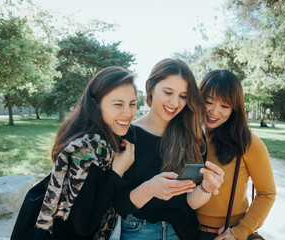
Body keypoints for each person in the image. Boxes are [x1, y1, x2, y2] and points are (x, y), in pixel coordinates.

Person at [113, 58, 224, 240]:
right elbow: (119, 204)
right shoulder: (128, 135)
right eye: (168, 92)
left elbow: (192, 202)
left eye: (183, 96)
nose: (175, 102)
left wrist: (206, 187)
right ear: (150, 87)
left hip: (180, 232)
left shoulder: (194, 136)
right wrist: (149, 189)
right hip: (136, 231)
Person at [33, 66, 137, 239]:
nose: (128, 113)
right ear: (96, 106)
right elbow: (84, 227)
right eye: (118, 104)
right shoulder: (86, 152)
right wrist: (116, 173)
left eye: (132, 104)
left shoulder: (106, 141)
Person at [197, 70, 276, 240]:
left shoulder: (248, 143)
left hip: (226, 234)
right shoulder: (189, 136)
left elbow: (266, 193)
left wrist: (239, 232)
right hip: (185, 230)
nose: (214, 111)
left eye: (225, 106)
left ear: (235, 108)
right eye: (209, 102)